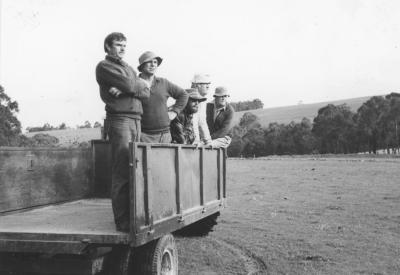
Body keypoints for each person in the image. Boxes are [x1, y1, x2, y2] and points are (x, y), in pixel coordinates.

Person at [95, 32, 150, 232]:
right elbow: (134, 85)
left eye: (124, 45)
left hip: (136, 120)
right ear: (108, 47)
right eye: (118, 45)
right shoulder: (104, 66)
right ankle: (122, 221)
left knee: (135, 168)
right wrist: (134, 85)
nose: (122, 48)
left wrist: (128, 89)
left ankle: (134, 217)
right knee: (122, 169)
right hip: (120, 120)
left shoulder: (126, 67)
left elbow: (146, 92)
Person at [138, 51, 188, 143]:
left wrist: (174, 112)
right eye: (149, 62)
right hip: (143, 135)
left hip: (164, 135)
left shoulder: (163, 83)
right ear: (142, 66)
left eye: (155, 62)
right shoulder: (134, 83)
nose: (153, 65)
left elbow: (183, 95)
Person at [191, 74, 212, 145]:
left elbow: (202, 122)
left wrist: (208, 141)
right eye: (205, 84)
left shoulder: (202, 101)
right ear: (197, 85)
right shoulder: (190, 99)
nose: (208, 86)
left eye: (208, 84)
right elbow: (192, 122)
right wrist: (196, 140)